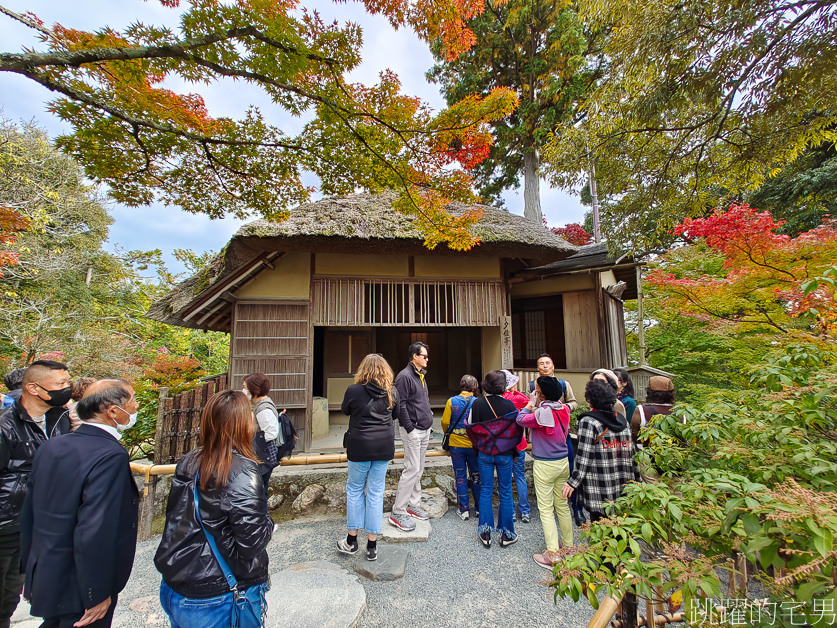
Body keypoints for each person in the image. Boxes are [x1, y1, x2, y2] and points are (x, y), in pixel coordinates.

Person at [20, 380, 140, 628]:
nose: (136, 406)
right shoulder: (110, 455)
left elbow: (30, 512)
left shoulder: (53, 445)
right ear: (113, 410)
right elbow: (95, 528)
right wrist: (95, 592)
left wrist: (29, 569)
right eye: (133, 400)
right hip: (80, 582)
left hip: (46, 571)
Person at [155, 390, 273, 627]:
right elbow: (251, 543)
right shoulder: (241, 471)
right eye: (249, 414)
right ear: (241, 424)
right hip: (217, 592)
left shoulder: (190, 459)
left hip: (178, 581)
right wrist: (268, 522)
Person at [0, 360, 71, 627]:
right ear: (33, 388)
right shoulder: (6, 427)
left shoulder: (59, 419)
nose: (68, 388)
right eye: (60, 384)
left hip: (37, 523)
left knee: (10, 596)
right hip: (6, 523)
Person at [337, 354, 399, 561]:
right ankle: (372, 545)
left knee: (354, 489)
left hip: (359, 447)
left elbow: (345, 410)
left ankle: (351, 541)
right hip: (383, 446)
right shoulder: (392, 392)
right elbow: (395, 415)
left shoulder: (354, 390)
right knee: (376, 492)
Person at [562, 380, 640, 523]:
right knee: (622, 531)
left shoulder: (589, 422)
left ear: (591, 401)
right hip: (623, 485)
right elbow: (632, 454)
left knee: (601, 530)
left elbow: (583, 457)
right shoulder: (622, 421)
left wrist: (573, 482)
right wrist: (638, 480)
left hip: (598, 487)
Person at [517, 376, 573, 570]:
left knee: (547, 510)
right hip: (563, 461)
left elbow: (521, 420)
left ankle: (552, 555)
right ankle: (568, 547)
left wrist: (530, 404)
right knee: (562, 506)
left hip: (545, 463)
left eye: (538, 389)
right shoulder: (564, 409)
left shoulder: (543, 412)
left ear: (541, 393)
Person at [465, 370, 522, 549]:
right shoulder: (510, 406)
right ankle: (507, 534)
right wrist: (514, 453)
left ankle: (485, 532)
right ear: (503, 386)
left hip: (484, 453)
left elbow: (471, 429)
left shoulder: (478, 404)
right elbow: (516, 434)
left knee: (486, 490)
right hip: (505, 453)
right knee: (505, 491)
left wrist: (479, 447)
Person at [389, 342, 433, 532]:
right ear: (414, 356)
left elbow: (423, 401)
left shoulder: (420, 375)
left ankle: (413, 504)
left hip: (424, 428)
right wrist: (409, 427)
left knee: (418, 468)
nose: (427, 359)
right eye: (424, 356)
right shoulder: (404, 376)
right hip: (413, 430)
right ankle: (398, 510)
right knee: (411, 468)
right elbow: (402, 405)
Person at [441, 375, 480, 521]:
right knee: (476, 476)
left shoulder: (451, 401)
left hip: (456, 444)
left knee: (461, 477)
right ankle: (479, 509)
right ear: (474, 387)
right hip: (473, 445)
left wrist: (449, 433)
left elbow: (445, 421)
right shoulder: (478, 402)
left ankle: (463, 510)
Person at [242, 373, 281, 499]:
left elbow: (271, 433)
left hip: (263, 457)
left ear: (254, 389)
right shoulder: (261, 405)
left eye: (245, 388)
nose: (244, 391)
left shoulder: (263, 408)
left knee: (259, 492)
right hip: (261, 456)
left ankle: (261, 516)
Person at [500, 370, 531, 523]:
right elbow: (528, 401)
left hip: (503, 446)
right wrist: (515, 390)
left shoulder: (498, 399)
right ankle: (525, 511)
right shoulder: (517, 398)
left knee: (505, 480)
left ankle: (510, 510)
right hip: (519, 444)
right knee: (520, 477)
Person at [630, 376, 676, 447]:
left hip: (646, 454)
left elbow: (634, 433)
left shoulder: (641, 410)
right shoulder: (679, 412)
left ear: (649, 392)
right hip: (675, 454)